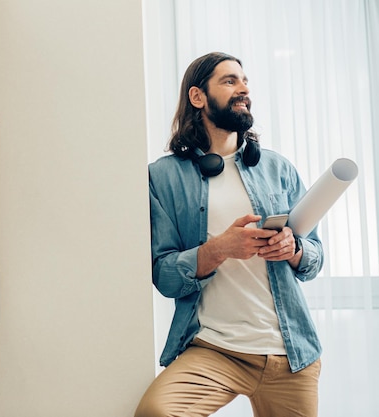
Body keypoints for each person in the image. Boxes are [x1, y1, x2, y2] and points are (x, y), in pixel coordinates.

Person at [135, 52, 324, 417]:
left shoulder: (277, 168)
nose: (244, 89)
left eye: (245, 80)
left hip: (290, 352)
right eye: (230, 81)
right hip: (214, 349)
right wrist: (217, 249)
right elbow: (164, 275)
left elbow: (314, 257)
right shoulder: (163, 178)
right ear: (197, 97)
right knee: (155, 412)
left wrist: (293, 248)